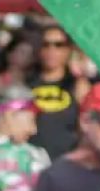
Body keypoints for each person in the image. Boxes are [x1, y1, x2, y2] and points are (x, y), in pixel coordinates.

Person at [25, 21, 89, 159]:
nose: (51, 50)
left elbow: (87, 127)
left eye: (59, 45)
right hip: (30, 160)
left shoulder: (78, 85)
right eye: (45, 44)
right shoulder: (25, 83)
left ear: (68, 49)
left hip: (65, 161)